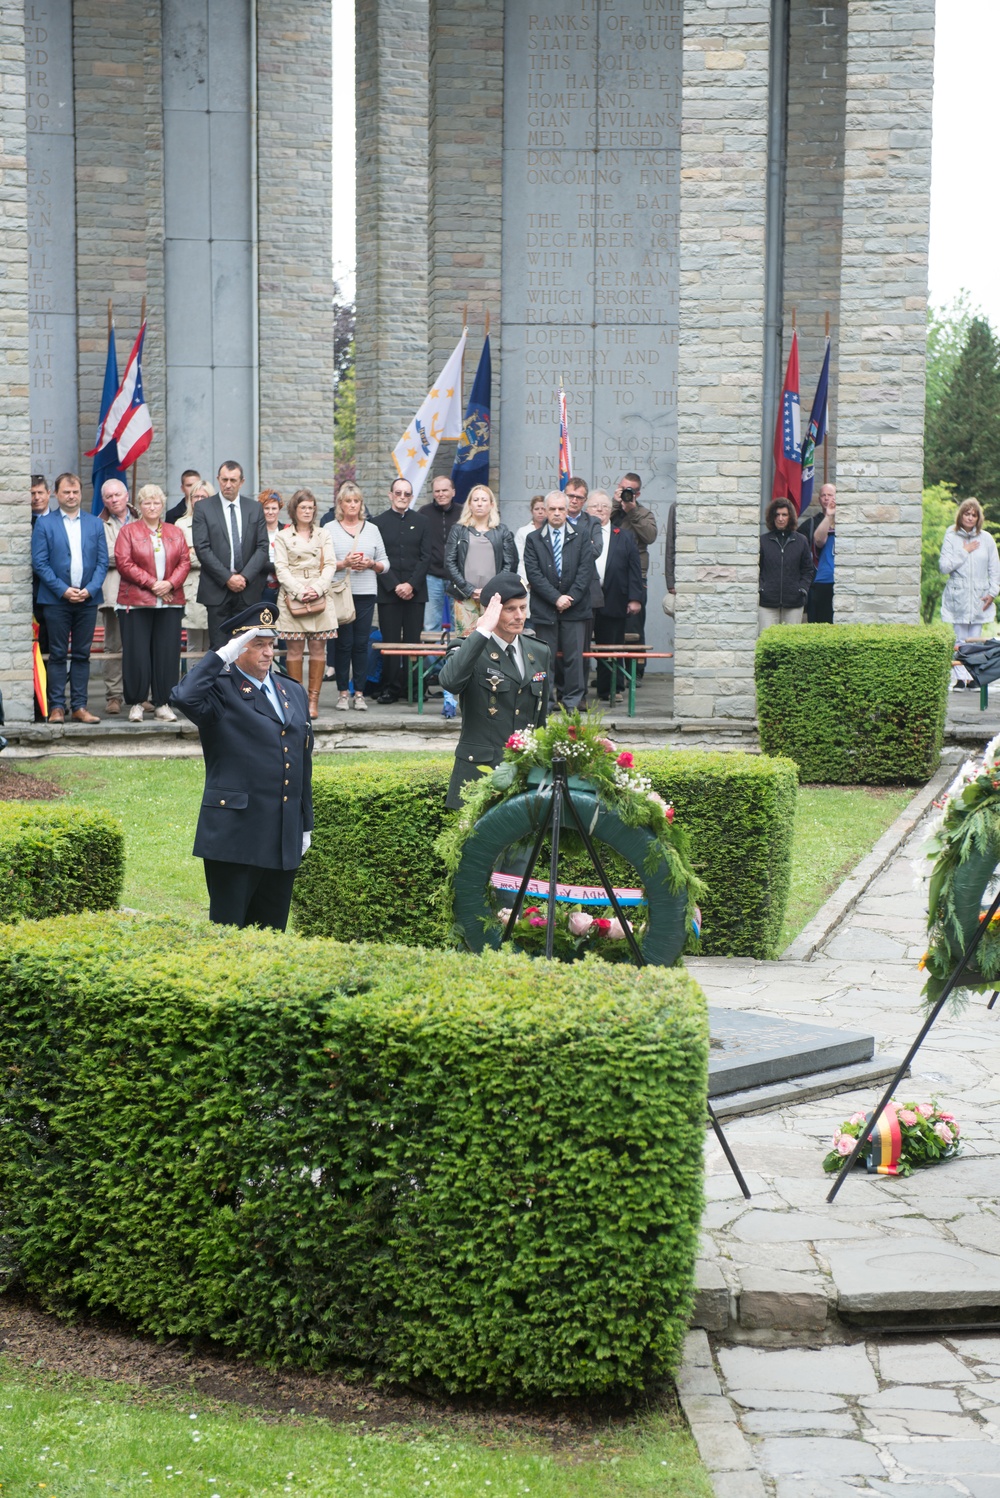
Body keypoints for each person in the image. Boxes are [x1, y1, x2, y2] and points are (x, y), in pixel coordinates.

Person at [169, 601, 313, 932]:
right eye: (257, 644)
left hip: (282, 833)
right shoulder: (220, 689)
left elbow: (302, 761)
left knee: (272, 931)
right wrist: (221, 657)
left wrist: (305, 822)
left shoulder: (291, 690)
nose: (267, 652)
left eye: (270, 644)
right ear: (237, 649)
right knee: (228, 932)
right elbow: (182, 697)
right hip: (237, 834)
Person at [439, 572, 551, 810]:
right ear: (492, 611)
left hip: (525, 771)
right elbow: (450, 681)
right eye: (510, 609)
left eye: (523, 607)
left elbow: (540, 719)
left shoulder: (538, 651)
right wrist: (482, 632)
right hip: (480, 771)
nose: (519, 615)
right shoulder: (468, 647)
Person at [31, 471, 108, 723]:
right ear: (56, 494)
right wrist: (63, 589)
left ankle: (79, 706)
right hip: (56, 600)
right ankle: (56, 708)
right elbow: (40, 563)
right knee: (57, 654)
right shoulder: (45, 523)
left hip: (87, 600)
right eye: (66, 492)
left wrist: (91, 589)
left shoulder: (95, 523)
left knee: (82, 655)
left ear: (81, 494)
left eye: (75, 492)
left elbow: (102, 562)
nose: (72, 496)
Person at [114, 483, 190, 722]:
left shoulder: (175, 532)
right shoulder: (128, 531)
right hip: (136, 602)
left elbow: (185, 562)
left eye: (156, 502)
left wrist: (169, 584)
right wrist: (152, 584)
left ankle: (163, 703)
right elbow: (123, 562)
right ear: (139, 506)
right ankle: (137, 703)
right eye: (147, 502)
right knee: (137, 654)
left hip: (170, 601)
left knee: (167, 654)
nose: (152, 506)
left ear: (162, 504)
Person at [523, 489, 595, 710]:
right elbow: (533, 573)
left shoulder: (581, 534)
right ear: (544, 510)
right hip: (545, 608)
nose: (556, 513)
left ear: (568, 510)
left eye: (560, 509)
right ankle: (545, 702)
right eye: (551, 509)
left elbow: (585, 570)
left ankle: (572, 703)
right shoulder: (533, 539)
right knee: (546, 659)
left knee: (574, 659)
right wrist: (556, 598)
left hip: (575, 608)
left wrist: (569, 598)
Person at [322, 480, 388, 712]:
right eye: (348, 501)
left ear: (361, 504)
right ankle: (341, 693)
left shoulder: (372, 529)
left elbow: (385, 564)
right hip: (340, 592)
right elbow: (324, 564)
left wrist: (371, 564)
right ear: (340, 503)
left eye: (356, 501)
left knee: (361, 644)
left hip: (365, 592)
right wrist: (344, 563)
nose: (352, 505)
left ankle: (358, 693)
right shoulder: (329, 528)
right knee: (342, 644)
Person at [273, 488, 338, 719]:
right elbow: (280, 568)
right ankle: (295, 701)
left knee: (319, 649)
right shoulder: (283, 536)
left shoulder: (324, 534)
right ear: (294, 510)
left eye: (311, 507)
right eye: (303, 507)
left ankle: (313, 701)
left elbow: (330, 564)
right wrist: (300, 591)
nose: (307, 511)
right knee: (294, 651)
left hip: (319, 593)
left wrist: (317, 588)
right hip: (293, 597)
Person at [192, 459, 269, 647]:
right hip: (217, 589)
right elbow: (202, 548)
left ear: (241, 482)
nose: (228, 485)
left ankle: (242, 678)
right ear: (218, 479)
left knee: (247, 647)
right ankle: (221, 678)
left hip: (248, 589)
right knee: (220, 649)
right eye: (224, 479)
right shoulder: (204, 508)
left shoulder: (254, 508)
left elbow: (262, 547)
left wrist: (244, 577)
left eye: (233, 480)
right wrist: (228, 578)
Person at [372, 477, 431, 705]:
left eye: (407, 494)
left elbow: (426, 557)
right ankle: (390, 687)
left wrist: (410, 585)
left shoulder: (423, 521)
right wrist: (395, 584)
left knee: (413, 642)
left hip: (416, 593)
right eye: (398, 493)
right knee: (391, 642)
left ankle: (414, 688)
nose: (402, 497)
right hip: (389, 592)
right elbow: (377, 557)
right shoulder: (377, 523)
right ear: (391, 495)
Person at [586, 491, 642, 700]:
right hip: (584, 600)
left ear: (611, 510)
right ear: (586, 510)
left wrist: (635, 598)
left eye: (604, 506)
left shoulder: (624, 535)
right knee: (581, 648)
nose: (600, 509)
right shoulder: (579, 532)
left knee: (611, 646)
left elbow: (634, 569)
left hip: (614, 599)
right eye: (595, 506)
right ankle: (577, 692)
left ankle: (610, 689)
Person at [940, 497, 1000, 689]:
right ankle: (959, 678)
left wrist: (993, 592)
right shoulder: (951, 535)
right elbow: (944, 567)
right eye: (967, 514)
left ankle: (973, 677)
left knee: (975, 640)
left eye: (974, 515)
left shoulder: (987, 539)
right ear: (961, 515)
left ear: (978, 518)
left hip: (980, 598)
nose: (970, 518)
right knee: (959, 639)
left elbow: (995, 569)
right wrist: (964, 551)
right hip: (958, 596)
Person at [444, 483, 518, 633]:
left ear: (491, 504)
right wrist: (469, 589)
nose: (479, 503)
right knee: (465, 642)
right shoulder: (458, 530)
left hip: (494, 598)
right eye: (475, 499)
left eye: (484, 500)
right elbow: (449, 562)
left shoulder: (502, 530)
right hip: (464, 597)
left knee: (493, 641)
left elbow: (509, 563)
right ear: (469, 504)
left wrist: (491, 590)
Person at [611, 472, 657, 676]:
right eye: (623, 489)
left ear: (637, 493)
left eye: (630, 490)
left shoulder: (644, 514)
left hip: (636, 578)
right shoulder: (609, 509)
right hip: (611, 577)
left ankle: (636, 671)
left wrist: (632, 511)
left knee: (634, 627)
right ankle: (613, 673)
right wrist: (614, 505)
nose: (626, 493)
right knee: (610, 627)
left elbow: (650, 536)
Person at [97, 477, 135, 714]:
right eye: (109, 496)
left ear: (127, 495)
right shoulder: (98, 524)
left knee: (142, 646)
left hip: (143, 594)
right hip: (113, 594)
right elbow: (103, 556)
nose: (114, 499)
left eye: (117, 495)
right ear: (104, 501)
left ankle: (141, 694)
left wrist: (121, 555)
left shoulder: (144, 517)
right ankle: (114, 696)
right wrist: (133, 555)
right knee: (113, 647)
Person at [758, 497, 814, 630]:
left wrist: (802, 589)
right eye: (777, 515)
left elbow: (808, 569)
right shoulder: (763, 541)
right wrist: (762, 588)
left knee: (790, 646)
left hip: (794, 603)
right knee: (767, 643)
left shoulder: (801, 541)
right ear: (772, 517)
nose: (780, 518)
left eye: (784, 515)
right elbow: (757, 568)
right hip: (767, 603)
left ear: (790, 517)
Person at [176, 478, 215, 661]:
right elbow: (181, 558)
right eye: (195, 496)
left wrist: (196, 552)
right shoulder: (181, 524)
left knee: (213, 644)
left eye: (204, 496)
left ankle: (210, 687)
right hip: (192, 589)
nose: (199, 500)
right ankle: (194, 687)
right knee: (194, 644)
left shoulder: (218, 522)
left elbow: (223, 555)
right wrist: (207, 555)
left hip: (216, 587)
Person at [799, 483, 837, 623]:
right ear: (819, 499)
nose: (826, 498)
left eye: (830, 495)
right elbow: (819, 540)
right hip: (820, 580)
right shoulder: (811, 523)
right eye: (823, 495)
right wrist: (829, 517)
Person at [30, 474, 51, 663]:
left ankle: (49, 691)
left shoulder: (59, 520)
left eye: (40, 492)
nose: (36, 497)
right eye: (32, 493)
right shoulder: (21, 523)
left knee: (51, 645)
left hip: (54, 593)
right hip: (29, 594)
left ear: (49, 493)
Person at [514, 495, 547, 587]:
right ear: (531, 511)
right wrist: (527, 581)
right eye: (537, 509)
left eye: (543, 509)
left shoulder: (552, 531)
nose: (540, 512)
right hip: (528, 583)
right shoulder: (523, 532)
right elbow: (519, 559)